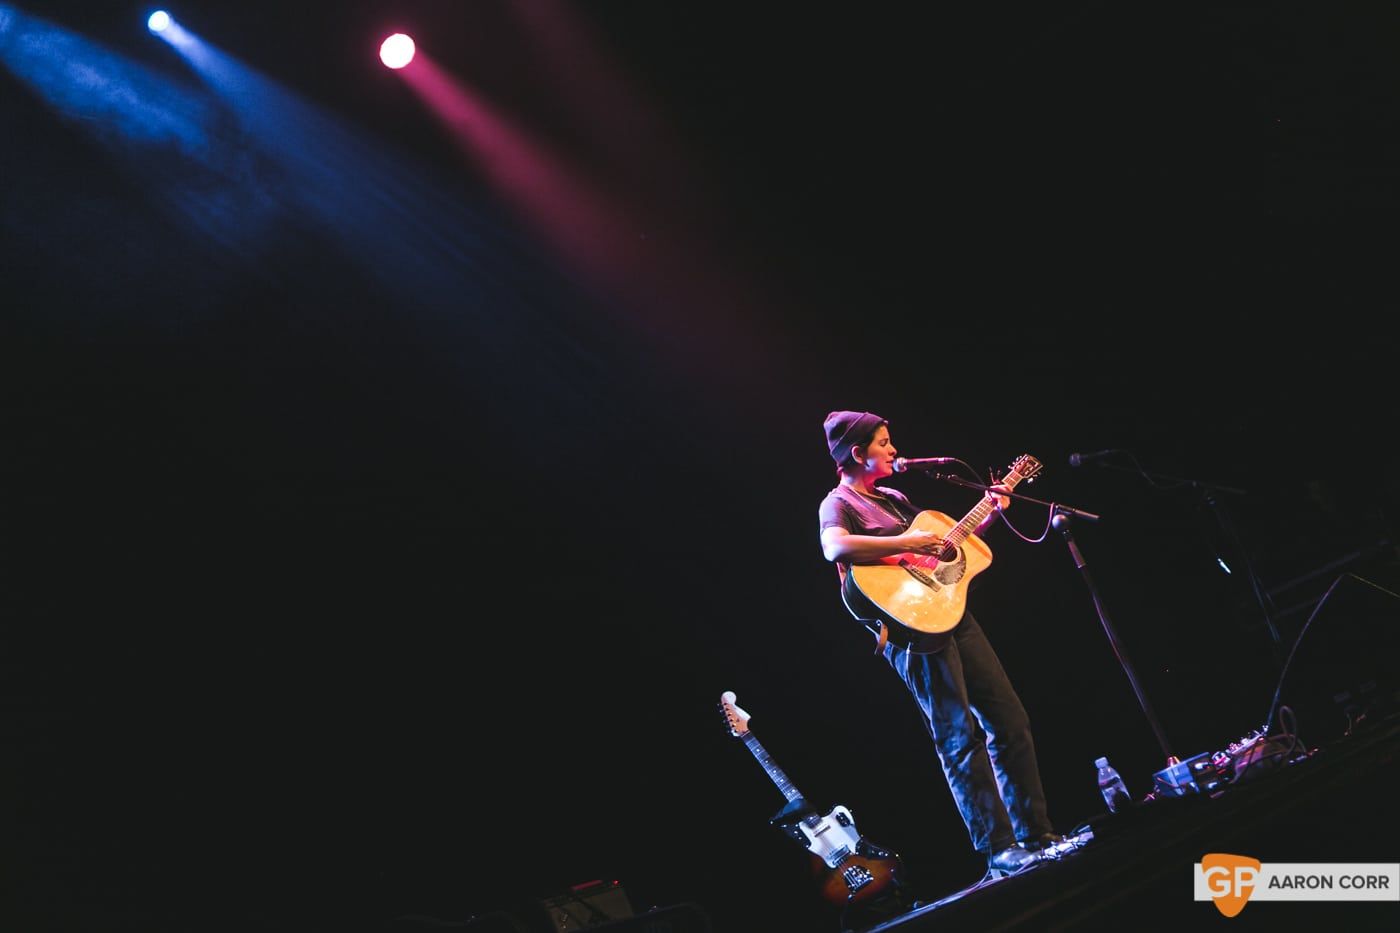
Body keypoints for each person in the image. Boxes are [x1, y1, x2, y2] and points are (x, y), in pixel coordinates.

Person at [817, 410, 1060, 878]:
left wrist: (991, 511)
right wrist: (911, 540)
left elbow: (946, 552)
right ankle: (999, 850)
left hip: (950, 612)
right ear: (857, 453)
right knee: (957, 737)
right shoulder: (838, 503)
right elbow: (836, 548)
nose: (892, 449)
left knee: (1009, 719)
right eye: (883, 442)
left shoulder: (893, 497)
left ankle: (1037, 834)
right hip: (910, 630)